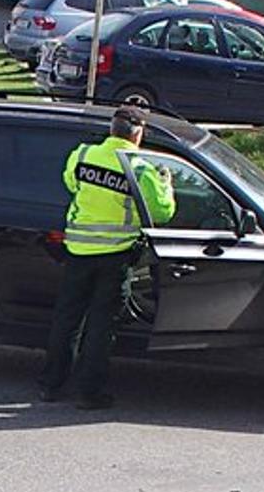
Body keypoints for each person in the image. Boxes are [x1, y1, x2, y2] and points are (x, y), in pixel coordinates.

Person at [36, 102, 175, 410]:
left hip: (78, 251)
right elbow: (162, 212)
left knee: (67, 320)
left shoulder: (83, 155)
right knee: (101, 326)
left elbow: (70, 182)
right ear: (138, 135)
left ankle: (51, 385)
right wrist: (166, 185)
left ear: (112, 130)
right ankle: (89, 392)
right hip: (116, 257)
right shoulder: (140, 168)